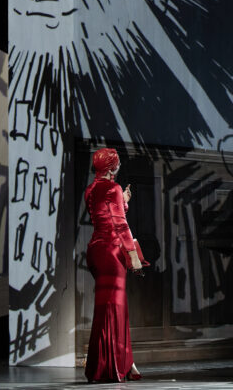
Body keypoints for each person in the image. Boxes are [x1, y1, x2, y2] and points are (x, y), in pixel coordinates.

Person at [84, 147, 143, 382]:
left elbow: (104, 214)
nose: (118, 167)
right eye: (116, 163)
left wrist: (123, 202)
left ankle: (116, 364)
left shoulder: (90, 190)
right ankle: (111, 367)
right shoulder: (113, 188)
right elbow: (120, 224)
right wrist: (134, 256)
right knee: (114, 309)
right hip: (111, 253)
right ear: (112, 167)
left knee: (107, 309)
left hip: (95, 252)